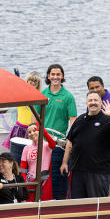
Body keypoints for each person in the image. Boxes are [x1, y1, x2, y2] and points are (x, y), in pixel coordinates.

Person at [60, 90, 110, 199]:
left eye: (96, 100)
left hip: (99, 172)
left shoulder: (108, 120)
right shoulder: (80, 120)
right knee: (78, 204)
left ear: (101, 102)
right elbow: (70, 142)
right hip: (78, 170)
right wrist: (64, 163)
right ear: (86, 103)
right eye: (90, 100)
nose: (93, 102)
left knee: (97, 205)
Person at [36, 63, 78, 200]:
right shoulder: (42, 94)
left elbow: (73, 121)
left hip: (58, 143)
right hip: (42, 140)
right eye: (52, 74)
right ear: (48, 76)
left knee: (56, 175)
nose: (55, 77)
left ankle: (58, 199)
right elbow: (35, 117)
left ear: (62, 76)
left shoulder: (68, 97)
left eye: (58, 74)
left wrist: (71, 141)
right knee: (40, 173)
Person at [19, 123, 56, 201]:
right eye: (29, 132)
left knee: (44, 208)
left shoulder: (47, 145)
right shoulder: (26, 148)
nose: (32, 133)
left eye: (34, 130)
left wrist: (44, 131)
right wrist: (25, 185)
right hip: (30, 183)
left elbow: (53, 144)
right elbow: (23, 169)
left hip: (44, 182)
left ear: (40, 131)